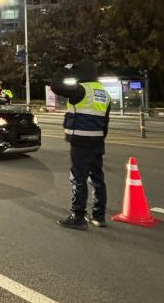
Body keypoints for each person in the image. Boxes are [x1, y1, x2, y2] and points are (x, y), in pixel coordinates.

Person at [51, 60, 111, 230]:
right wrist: (99, 137)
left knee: (78, 179)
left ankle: (78, 217)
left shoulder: (81, 90)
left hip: (80, 140)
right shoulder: (104, 93)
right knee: (97, 178)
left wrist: (64, 68)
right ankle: (99, 217)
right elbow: (106, 122)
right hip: (97, 140)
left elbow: (55, 86)